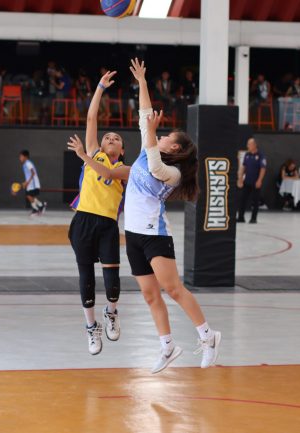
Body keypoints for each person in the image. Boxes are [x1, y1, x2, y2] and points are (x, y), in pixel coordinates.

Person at [126, 58, 220, 373]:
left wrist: (151, 133)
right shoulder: (147, 147)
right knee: (150, 295)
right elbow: (145, 114)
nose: (162, 136)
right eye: (161, 134)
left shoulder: (174, 173)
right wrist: (142, 82)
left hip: (155, 235)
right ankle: (167, 346)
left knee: (174, 289)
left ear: (176, 149)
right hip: (133, 233)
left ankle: (208, 336)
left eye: (167, 137)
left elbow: (155, 167)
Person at [65, 69, 130, 355]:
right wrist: (100, 88)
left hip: (107, 225)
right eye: (108, 137)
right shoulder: (94, 152)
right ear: (100, 144)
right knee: (86, 277)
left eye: (116, 138)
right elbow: (92, 118)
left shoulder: (124, 169)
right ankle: (91, 327)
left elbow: (106, 173)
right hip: (83, 220)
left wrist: (82, 155)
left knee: (113, 281)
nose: (111, 138)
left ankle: (111, 312)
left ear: (122, 149)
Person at [237, 138, 267, 223]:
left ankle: (253, 218)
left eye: (249, 144)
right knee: (242, 199)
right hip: (247, 181)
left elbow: (263, 169)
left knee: (255, 201)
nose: (247, 146)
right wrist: (240, 179)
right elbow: (243, 167)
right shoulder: (247, 155)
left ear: (254, 145)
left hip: (256, 182)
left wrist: (259, 180)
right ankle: (241, 217)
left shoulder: (261, 156)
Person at [18, 150, 46, 215]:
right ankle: (41, 206)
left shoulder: (28, 163)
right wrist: (25, 182)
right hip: (30, 184)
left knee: (29, 196)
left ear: (25, 157)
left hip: (33, 184)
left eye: (21, 156)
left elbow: (33, 173)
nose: (20, 158)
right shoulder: (25, 164)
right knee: (30, 196)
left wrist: (27, 182)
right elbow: (28, 175)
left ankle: (36, 209)